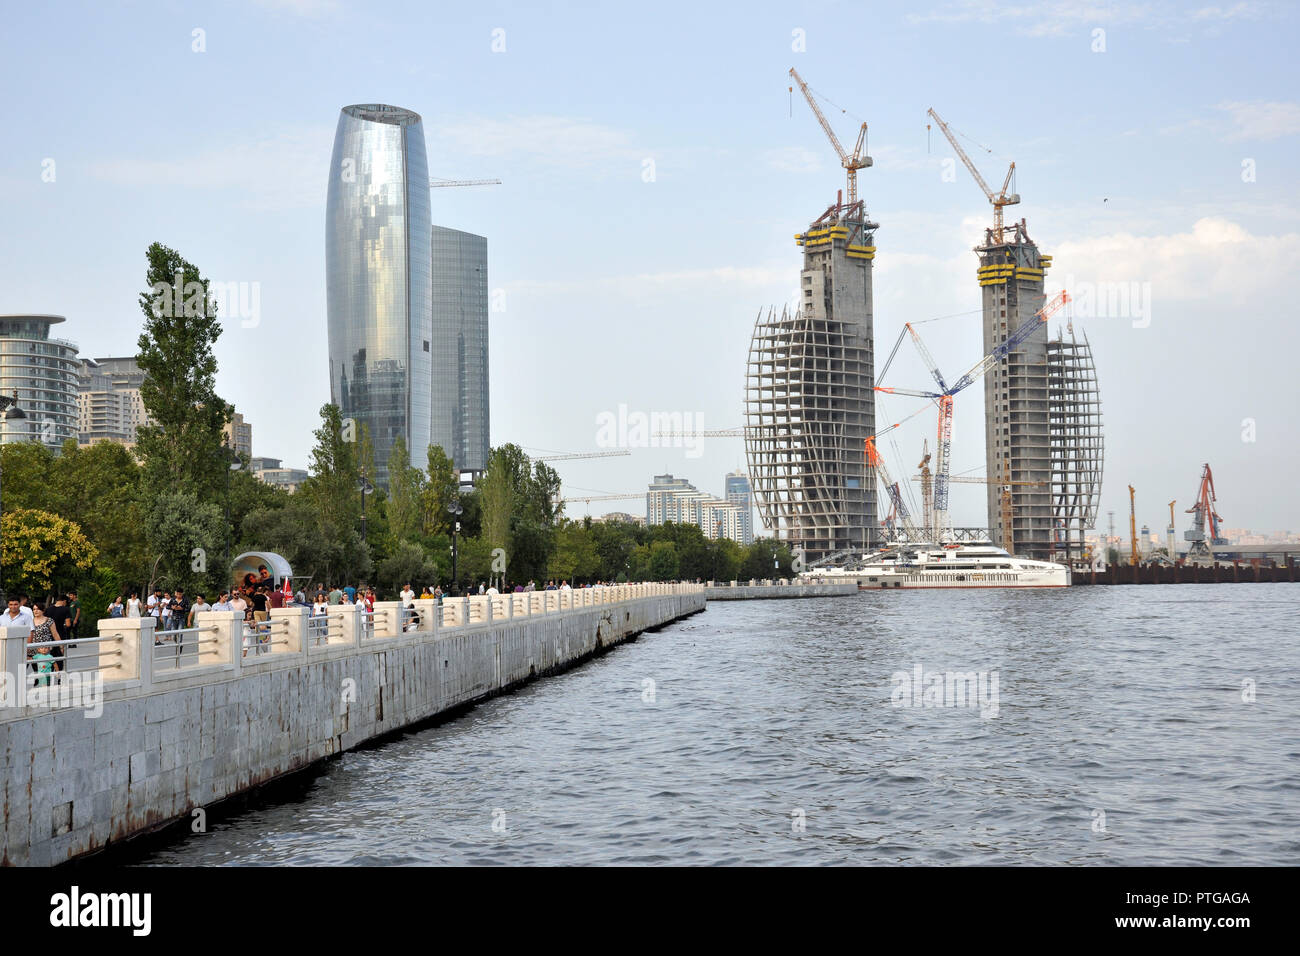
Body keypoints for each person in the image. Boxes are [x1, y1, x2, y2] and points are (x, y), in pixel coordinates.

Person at [30, 604, 59, 673]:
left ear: (43, 610)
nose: (35, 611)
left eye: (38, 609)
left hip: (46, 650)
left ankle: (47, 683)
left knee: (46, 669)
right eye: (34, 609)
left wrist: (61, 646)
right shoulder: (30, 621)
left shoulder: (49, 620)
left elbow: (55, 634)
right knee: (37, 672)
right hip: (33, 650)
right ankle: (38, 683)